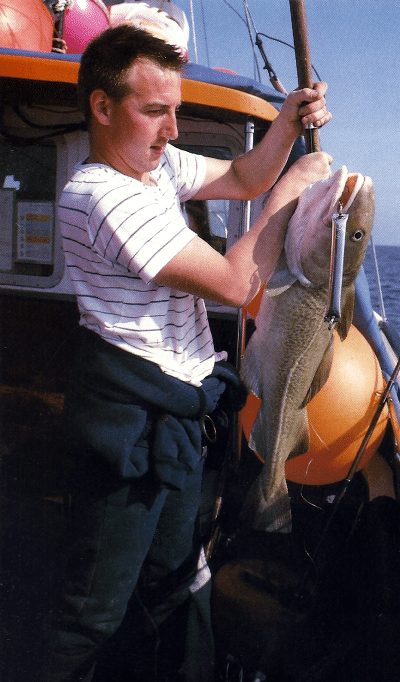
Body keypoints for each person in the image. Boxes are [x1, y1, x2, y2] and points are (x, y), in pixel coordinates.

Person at [41, 23, 332, 682]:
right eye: (154, 111)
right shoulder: (99, 197)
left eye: (175, 110)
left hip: (179, 417)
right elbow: (236, 281)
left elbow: (242, 172)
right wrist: (290, 195)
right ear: (103, 107)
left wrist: (286, 127)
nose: (172, 129)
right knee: (92, 610)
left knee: (177, 578)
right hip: (128, 427)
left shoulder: (154, 166)